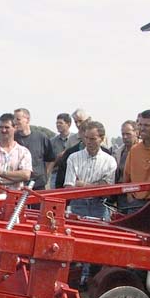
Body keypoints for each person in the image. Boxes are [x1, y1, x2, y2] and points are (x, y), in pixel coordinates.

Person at [63, 121, 117, 286]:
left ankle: (92, 281)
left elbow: (108, 190)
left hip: (99, 206)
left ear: (101, 139)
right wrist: (96, 186)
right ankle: (77, 280)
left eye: (93, 139)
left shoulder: (109, 161)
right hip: (79, 204)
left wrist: (84, 185)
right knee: (74, 244)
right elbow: (69, 186)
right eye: (86, 138)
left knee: (97, 247)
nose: (89, 142)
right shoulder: (74, 158)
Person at [13, 108, 54, 191]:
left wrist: (45, 174)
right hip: (18, 185)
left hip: (38, 185)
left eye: (18, 119)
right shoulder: (13, 139)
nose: (15, 122)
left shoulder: (41, 137)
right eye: (14, 119)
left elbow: (51, 159)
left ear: (27, 120)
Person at [113, 120, 138, 213]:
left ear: (136, 133)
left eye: (128, 134)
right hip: (121, 194)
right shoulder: (119, 152)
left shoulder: (142, 151)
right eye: (123, 134)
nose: (125, 137)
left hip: (136, 195)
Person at [49, 113, 79, 188]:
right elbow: (49, 160)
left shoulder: (76, 139)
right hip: (56, 174)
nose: (58, 125)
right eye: (57, 123)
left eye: (61, 123)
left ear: (68, 124)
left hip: (73, 174)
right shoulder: (52, 141)